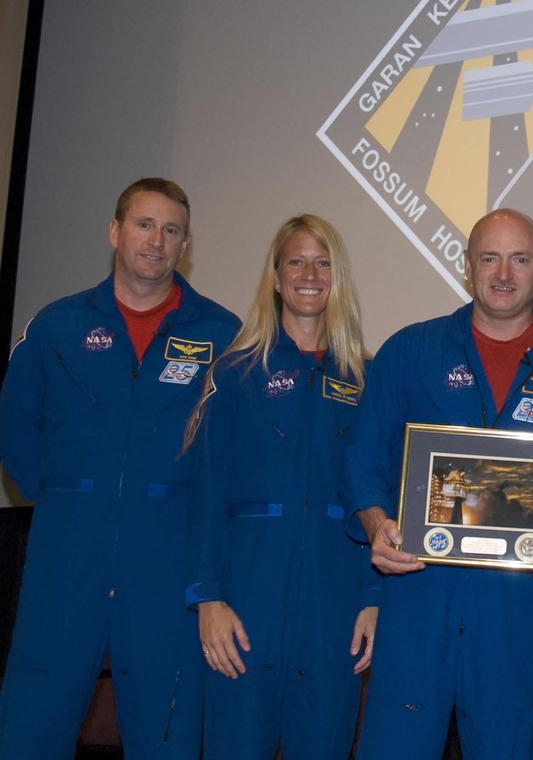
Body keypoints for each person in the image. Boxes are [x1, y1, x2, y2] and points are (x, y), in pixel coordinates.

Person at [342, 208, 533, 759]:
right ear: (467, 266)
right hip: (420, 595)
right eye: (490, 257)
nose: (503, 273)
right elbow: (363, 456)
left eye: (519, 259)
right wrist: (375, 524)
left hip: (521, 605)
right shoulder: (411, 352)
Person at [0, 178, 239, 759]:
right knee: (34, 723)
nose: (156, 241)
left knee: (167, 733)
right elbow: (15, 424)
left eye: (171, 230)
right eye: (143, 225)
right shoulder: (57, 325)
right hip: (67, 557)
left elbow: (235, 451)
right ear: (115, 232)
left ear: (186, 243)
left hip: (167, 561)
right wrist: (66, 498)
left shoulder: (222, 335)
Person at [183, 214, 378, 759]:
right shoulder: (235, 373)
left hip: (335, 602)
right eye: (296, 260)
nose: (309, 273)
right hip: (246, 602)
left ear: (337, 278)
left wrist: (374, 598)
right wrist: (209, 597)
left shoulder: (367, 379)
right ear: (275, 277)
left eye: (323, 262)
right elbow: (206, 491)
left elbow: (384, 499)